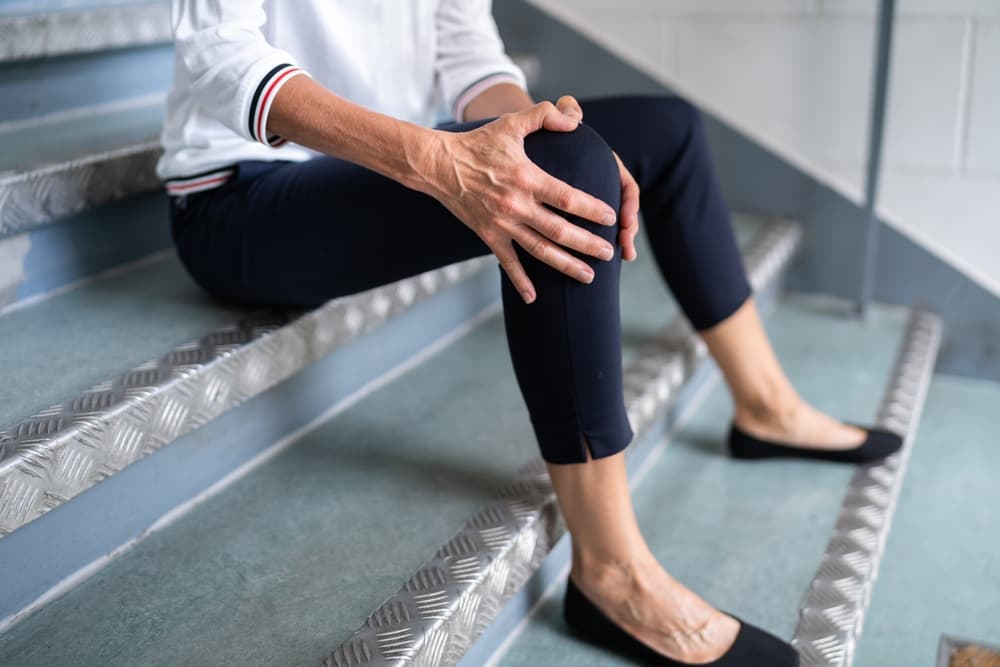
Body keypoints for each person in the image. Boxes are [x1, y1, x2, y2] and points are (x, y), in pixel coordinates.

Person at [158, 2, 901, 665]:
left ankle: (765, 405)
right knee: (565, 169)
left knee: (658, 131)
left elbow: (470, 52)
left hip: (388, 167)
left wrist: (541, 133)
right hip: (242, 202)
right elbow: (222, 54)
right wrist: (445, 160)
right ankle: (611, 571)